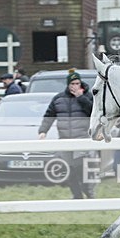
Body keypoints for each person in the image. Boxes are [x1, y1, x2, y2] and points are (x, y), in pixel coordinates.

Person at [37, 70, 96, 199]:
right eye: (72, 83)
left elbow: (93, 113)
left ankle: (88, 189)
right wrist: (43, 131)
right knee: (69, 169)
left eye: (77, 83)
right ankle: (76, 194)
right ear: (68, 84)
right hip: (64, 139)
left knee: (80, 167)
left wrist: (81, 98)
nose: (75, 86)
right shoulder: (58, 99)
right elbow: (49, 115)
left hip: (82, 138)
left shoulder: (88, 97)